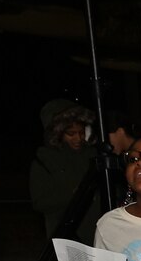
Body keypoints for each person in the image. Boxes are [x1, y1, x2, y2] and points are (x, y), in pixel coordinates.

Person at [28, 99, 105, 241]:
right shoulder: (44, 160)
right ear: (57, 133)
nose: (78, 138)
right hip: (66, 237)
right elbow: (39, 202)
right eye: (71, 133)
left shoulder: (93, 155)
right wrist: (74, 194)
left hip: (100, 233)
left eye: (81, 132)